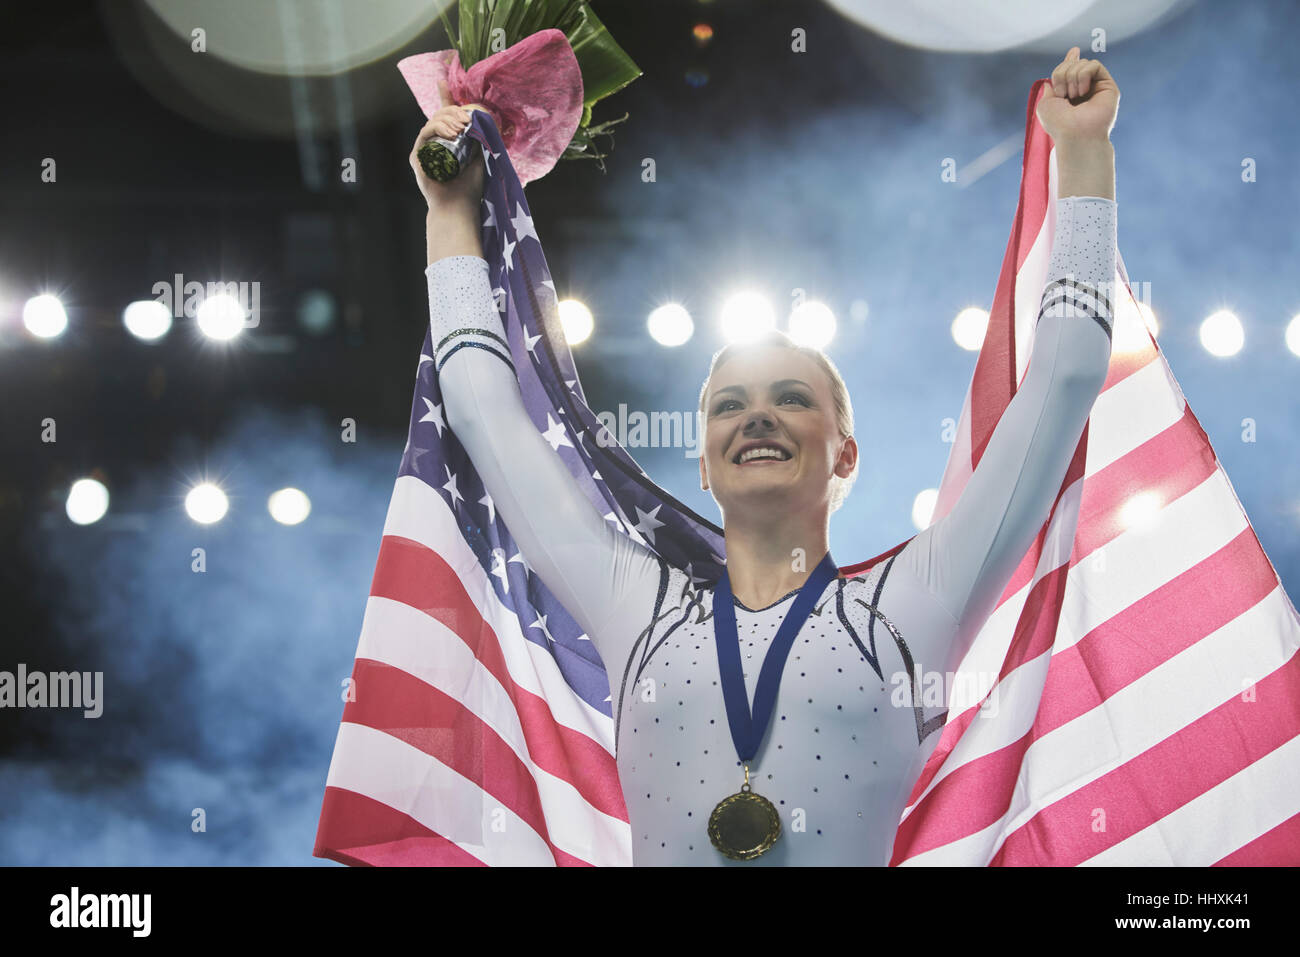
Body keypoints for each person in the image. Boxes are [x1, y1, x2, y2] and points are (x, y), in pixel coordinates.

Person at [409, 47, 1119, 865]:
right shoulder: (633, 605)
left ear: (844, 452)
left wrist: (1084, 152)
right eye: (728, 405)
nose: (757, 418)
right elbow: (480, 409)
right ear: (703, 462)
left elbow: (1065, 372)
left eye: (790, 397)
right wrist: (449, 211)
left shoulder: (915, 602)